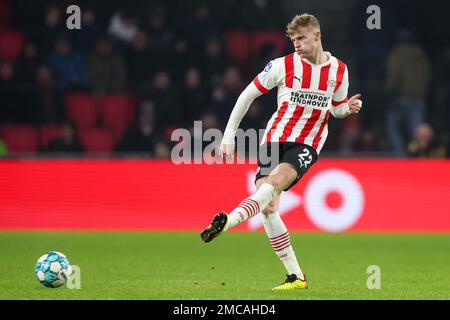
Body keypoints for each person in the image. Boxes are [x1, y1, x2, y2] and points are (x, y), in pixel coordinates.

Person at [200, 14, 362, 290]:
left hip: (307, 143)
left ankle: (230, 220)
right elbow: (247, 95)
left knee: (273, 185)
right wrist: (228, 136)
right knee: (269, 208)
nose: (296, 44)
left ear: (317, 36)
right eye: (293, 39)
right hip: (275, 139)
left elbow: (335, 109)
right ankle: (296, 277)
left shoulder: (339, 71)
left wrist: (348, 108)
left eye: (301, 38)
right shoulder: (282, 65)